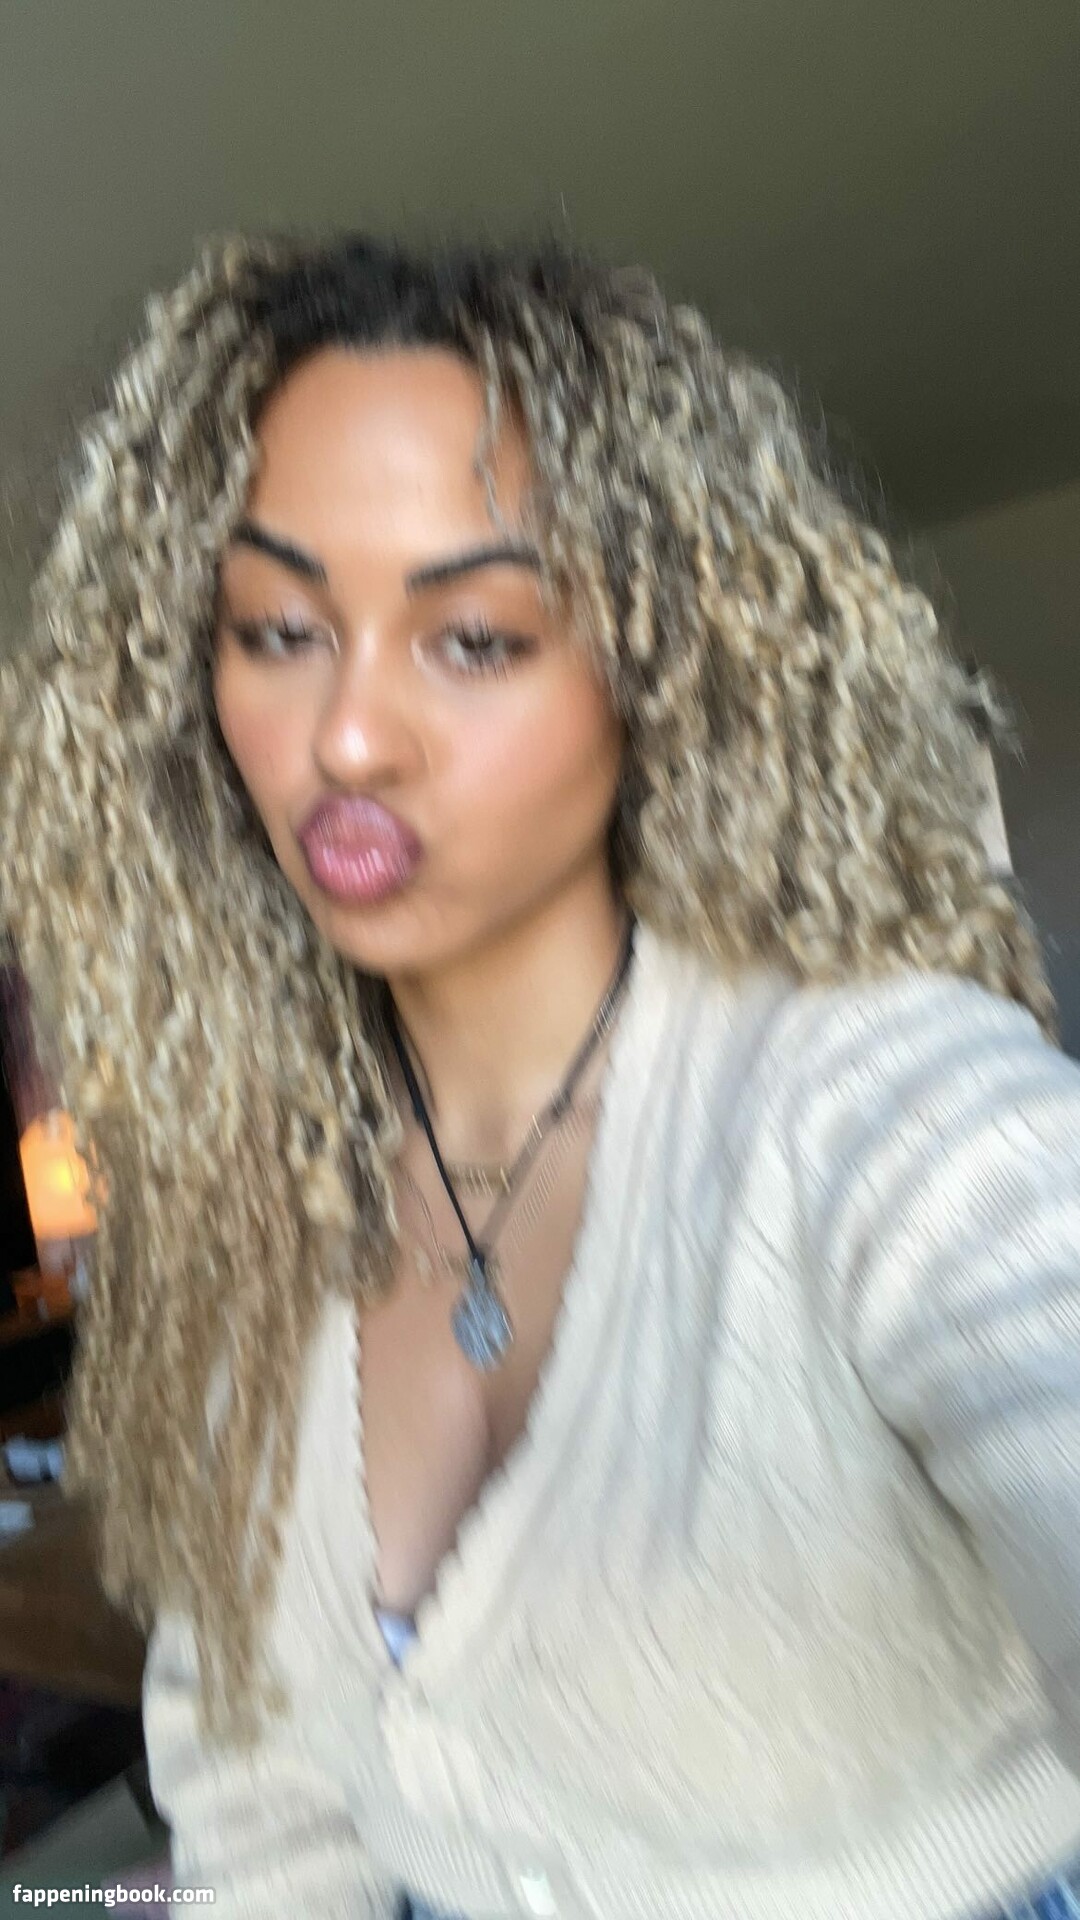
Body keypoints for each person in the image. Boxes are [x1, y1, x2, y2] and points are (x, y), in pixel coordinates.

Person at [0, 233, 1077, 1920]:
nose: (348, 737)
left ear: (662, 668)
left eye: (476, 636)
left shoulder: (892, 1114)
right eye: (278, 628)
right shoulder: (240, 1222)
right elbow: (263, 1806)